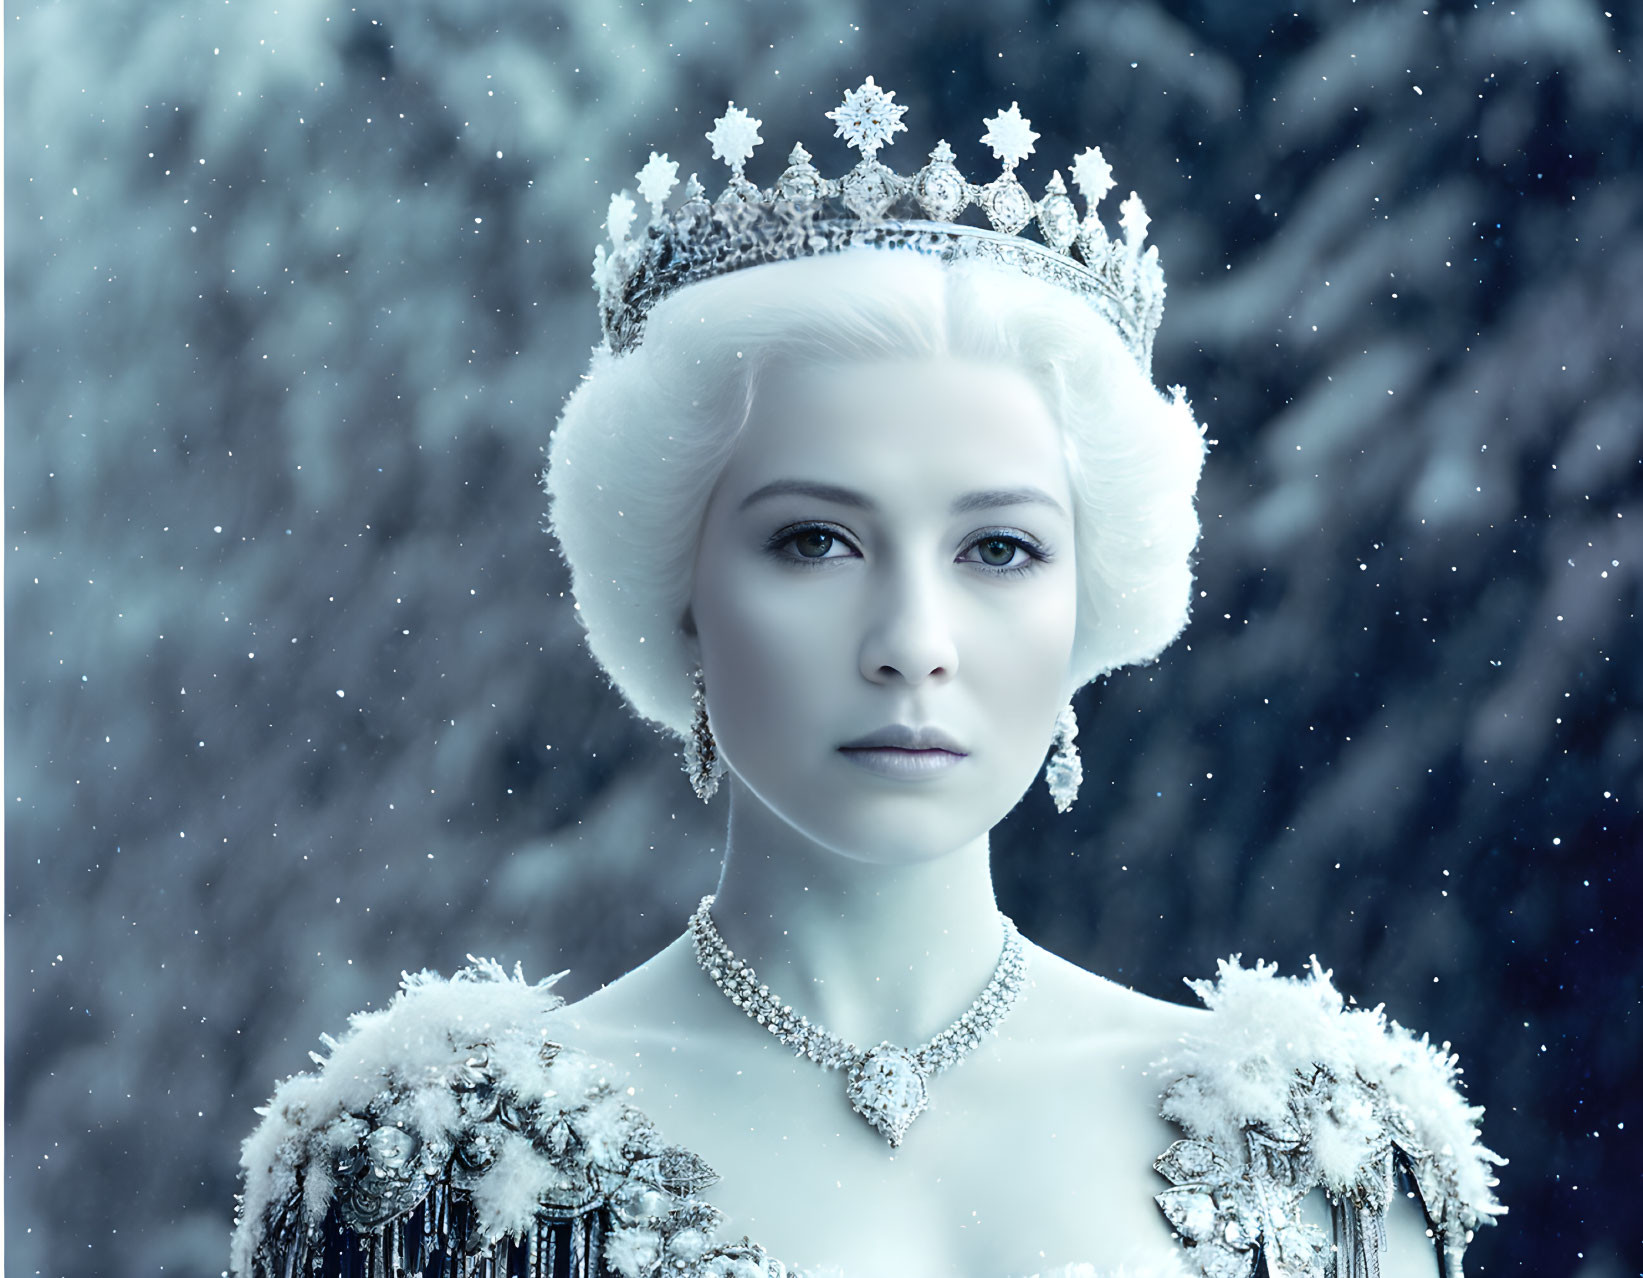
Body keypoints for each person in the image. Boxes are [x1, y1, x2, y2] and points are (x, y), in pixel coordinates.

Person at [232, 81, 1504, 1278]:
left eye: (997, 549)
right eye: (814, 542)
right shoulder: (428, 1181)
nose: (911, 640)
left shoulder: (1318, 1166)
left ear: (1084, 602)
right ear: (681, 590)